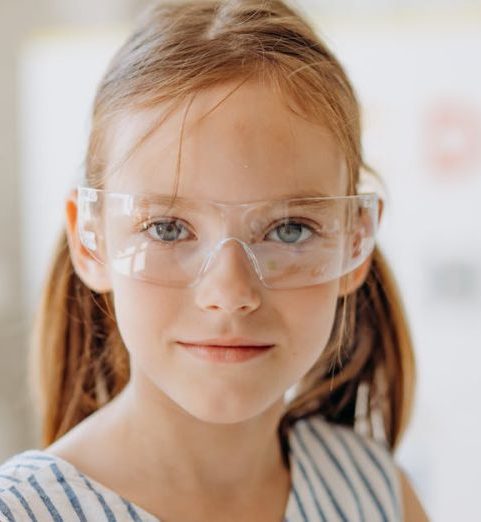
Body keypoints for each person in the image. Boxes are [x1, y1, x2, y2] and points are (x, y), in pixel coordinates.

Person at [0, 0, 430, 520]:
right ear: (91, 242)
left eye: (290, 229)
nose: (230, 293)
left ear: (354, 243)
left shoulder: (376, 496)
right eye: (168, 229)